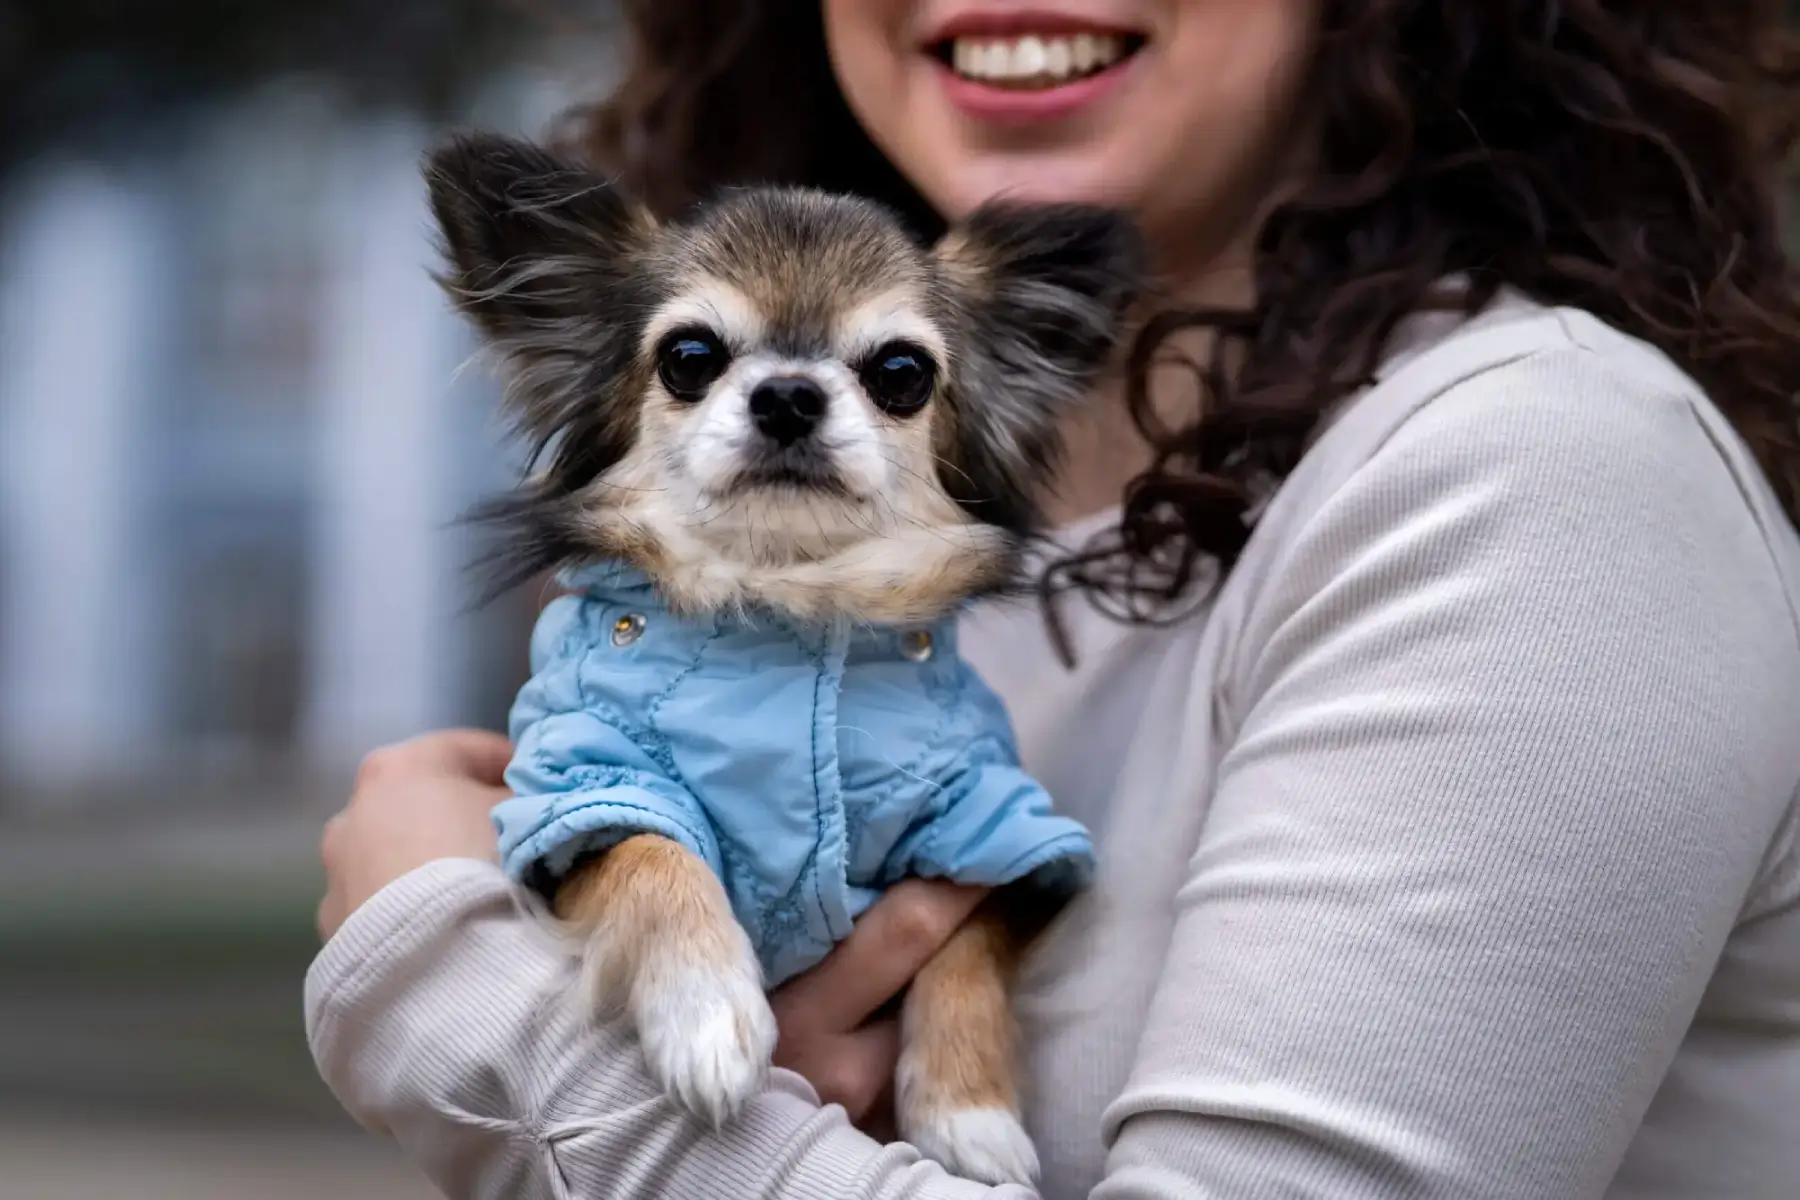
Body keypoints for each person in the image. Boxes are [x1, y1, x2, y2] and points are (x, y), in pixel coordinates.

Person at [305, 2, 1800, 1197]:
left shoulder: (1536, 473)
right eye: (702, 362)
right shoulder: (928, 544)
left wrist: (469, 991)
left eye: (894, 376)